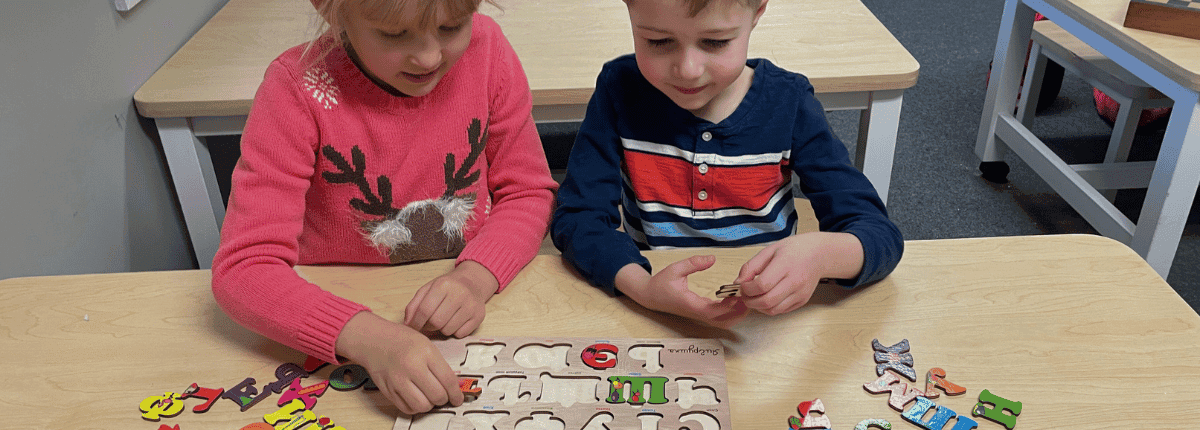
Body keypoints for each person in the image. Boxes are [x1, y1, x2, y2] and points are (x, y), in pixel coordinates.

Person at [210, 0, 557, 415]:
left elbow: (527, 193)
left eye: (452, 27)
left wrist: (474, 278)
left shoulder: (489, 52)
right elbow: (245, 268)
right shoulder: (296, 88)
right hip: (339, 322)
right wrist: (367, 338)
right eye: (394, 34)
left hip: (473, 312)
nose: (429, 57)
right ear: (331, 10)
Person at [551, 0, 903, 328]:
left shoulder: (789, 102)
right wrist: (643, 288)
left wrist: (822, 255)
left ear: (757, 11)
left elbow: (879, 233)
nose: (688, 70)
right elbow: (578, 218)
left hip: (766, 322)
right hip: (653, 313)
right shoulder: (619, 90)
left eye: (715, 42)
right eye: (658, 41)